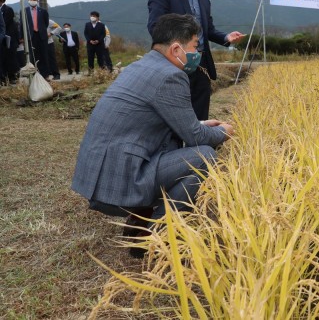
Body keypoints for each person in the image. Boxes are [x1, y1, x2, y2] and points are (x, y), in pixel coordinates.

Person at [71, 14, 234, 256]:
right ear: (177, 49)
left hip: (101, 174)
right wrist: (222, 131)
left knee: (180, 147)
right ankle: (155, 235)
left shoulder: (140, 66)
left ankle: (140, 222)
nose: (197, 53)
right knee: (204, 157)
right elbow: (197, 137)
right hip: (121, 181)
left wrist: (199, 123)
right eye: (195, 47)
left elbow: (158, 120)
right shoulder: (171, 76)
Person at [148, 0, 245, 120]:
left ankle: (199, 147)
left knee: (201, 115)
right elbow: (155, 27)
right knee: (173, 115)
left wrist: (226, 37)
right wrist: (178, 47)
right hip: (174, 64)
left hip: (201, 65)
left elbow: (209, 30)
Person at [21, 0, 50, 78]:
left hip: (41, 36)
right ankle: (34, 75)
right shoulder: (24, 11)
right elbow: (22, 25)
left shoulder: (43, 11)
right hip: (30, 36)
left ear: (37, 0)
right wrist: (22, 37)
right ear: (28, 0)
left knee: (43, 56)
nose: (32, 1)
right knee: (32, 56)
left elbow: (46, 23)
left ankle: (45, 75)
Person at [0, 0, 20, 84]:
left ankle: (12, 77)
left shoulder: (8, 9)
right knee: (2, 59)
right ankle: (3, 78)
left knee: (10, 58)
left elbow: (5, 23)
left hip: (9, 39)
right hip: (1, 39)